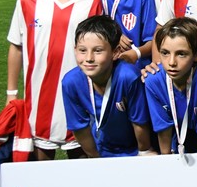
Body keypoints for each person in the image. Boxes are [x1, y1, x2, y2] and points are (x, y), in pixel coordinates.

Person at [6, 0, 104, 160]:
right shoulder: (27, 2)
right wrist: (11, 93)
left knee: (82, 164)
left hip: (80, 98)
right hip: (39, 100)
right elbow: (16, 47)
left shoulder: (91, 2)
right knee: (41, 169)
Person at [61, 16, 154, 157]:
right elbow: (80, 129)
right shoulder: (71, 82)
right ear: (75, 50)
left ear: (116, 52)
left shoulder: (127, 77)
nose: (89, 58)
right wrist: (96, 159)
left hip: (135, 149)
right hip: (101, 149)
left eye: (98, 51)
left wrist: (143, 152)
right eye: (82, 50)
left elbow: (140, 123)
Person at [144, 18, 197, 154]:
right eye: (165, 53)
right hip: (176, 138)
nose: (171, 62)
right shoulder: (153, 80)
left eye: (181, 54)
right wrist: (166, 160)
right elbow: (162, 127)